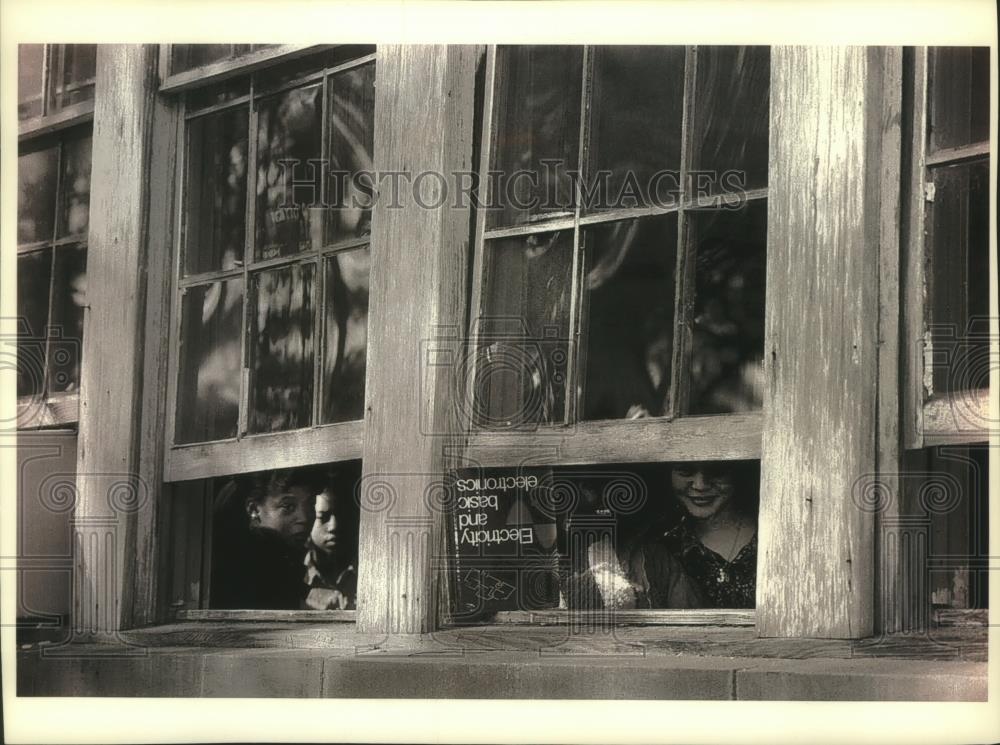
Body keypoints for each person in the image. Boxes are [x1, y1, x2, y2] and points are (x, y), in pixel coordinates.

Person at [628, 462, 757, 608]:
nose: (700, 485)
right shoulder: (657, 542)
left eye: (717, 471)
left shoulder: (774, 529)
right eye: (685, 471)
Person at [210, 468, 318, 609]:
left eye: (311, 505)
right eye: (288, 506)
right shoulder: (243, 573)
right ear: (253, 509)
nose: (304, 518)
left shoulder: (284, 564)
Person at [302, 483, 358, 610]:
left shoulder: (369, 572)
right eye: (323, 517)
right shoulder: (293, 574)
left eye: (342, 516)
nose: (334, 526)